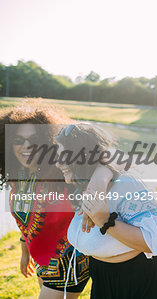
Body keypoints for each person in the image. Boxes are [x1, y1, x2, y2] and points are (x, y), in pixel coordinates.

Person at [56, 123, 157, 299]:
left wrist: (103, 220)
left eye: (63, 156)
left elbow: (155, 241)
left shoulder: (128, 184)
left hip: (146, 276)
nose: (57, 163)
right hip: (105, 275)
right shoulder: (84, 183)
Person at [0, 100, 113, 299]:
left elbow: (108, 160)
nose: (27, 146)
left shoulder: (63, 170)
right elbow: (25, 219)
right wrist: (25, 252)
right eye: (18, 140)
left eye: (33, 139)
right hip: (42, 261)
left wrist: (98, 183)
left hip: (72, 260)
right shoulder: (18, 176)